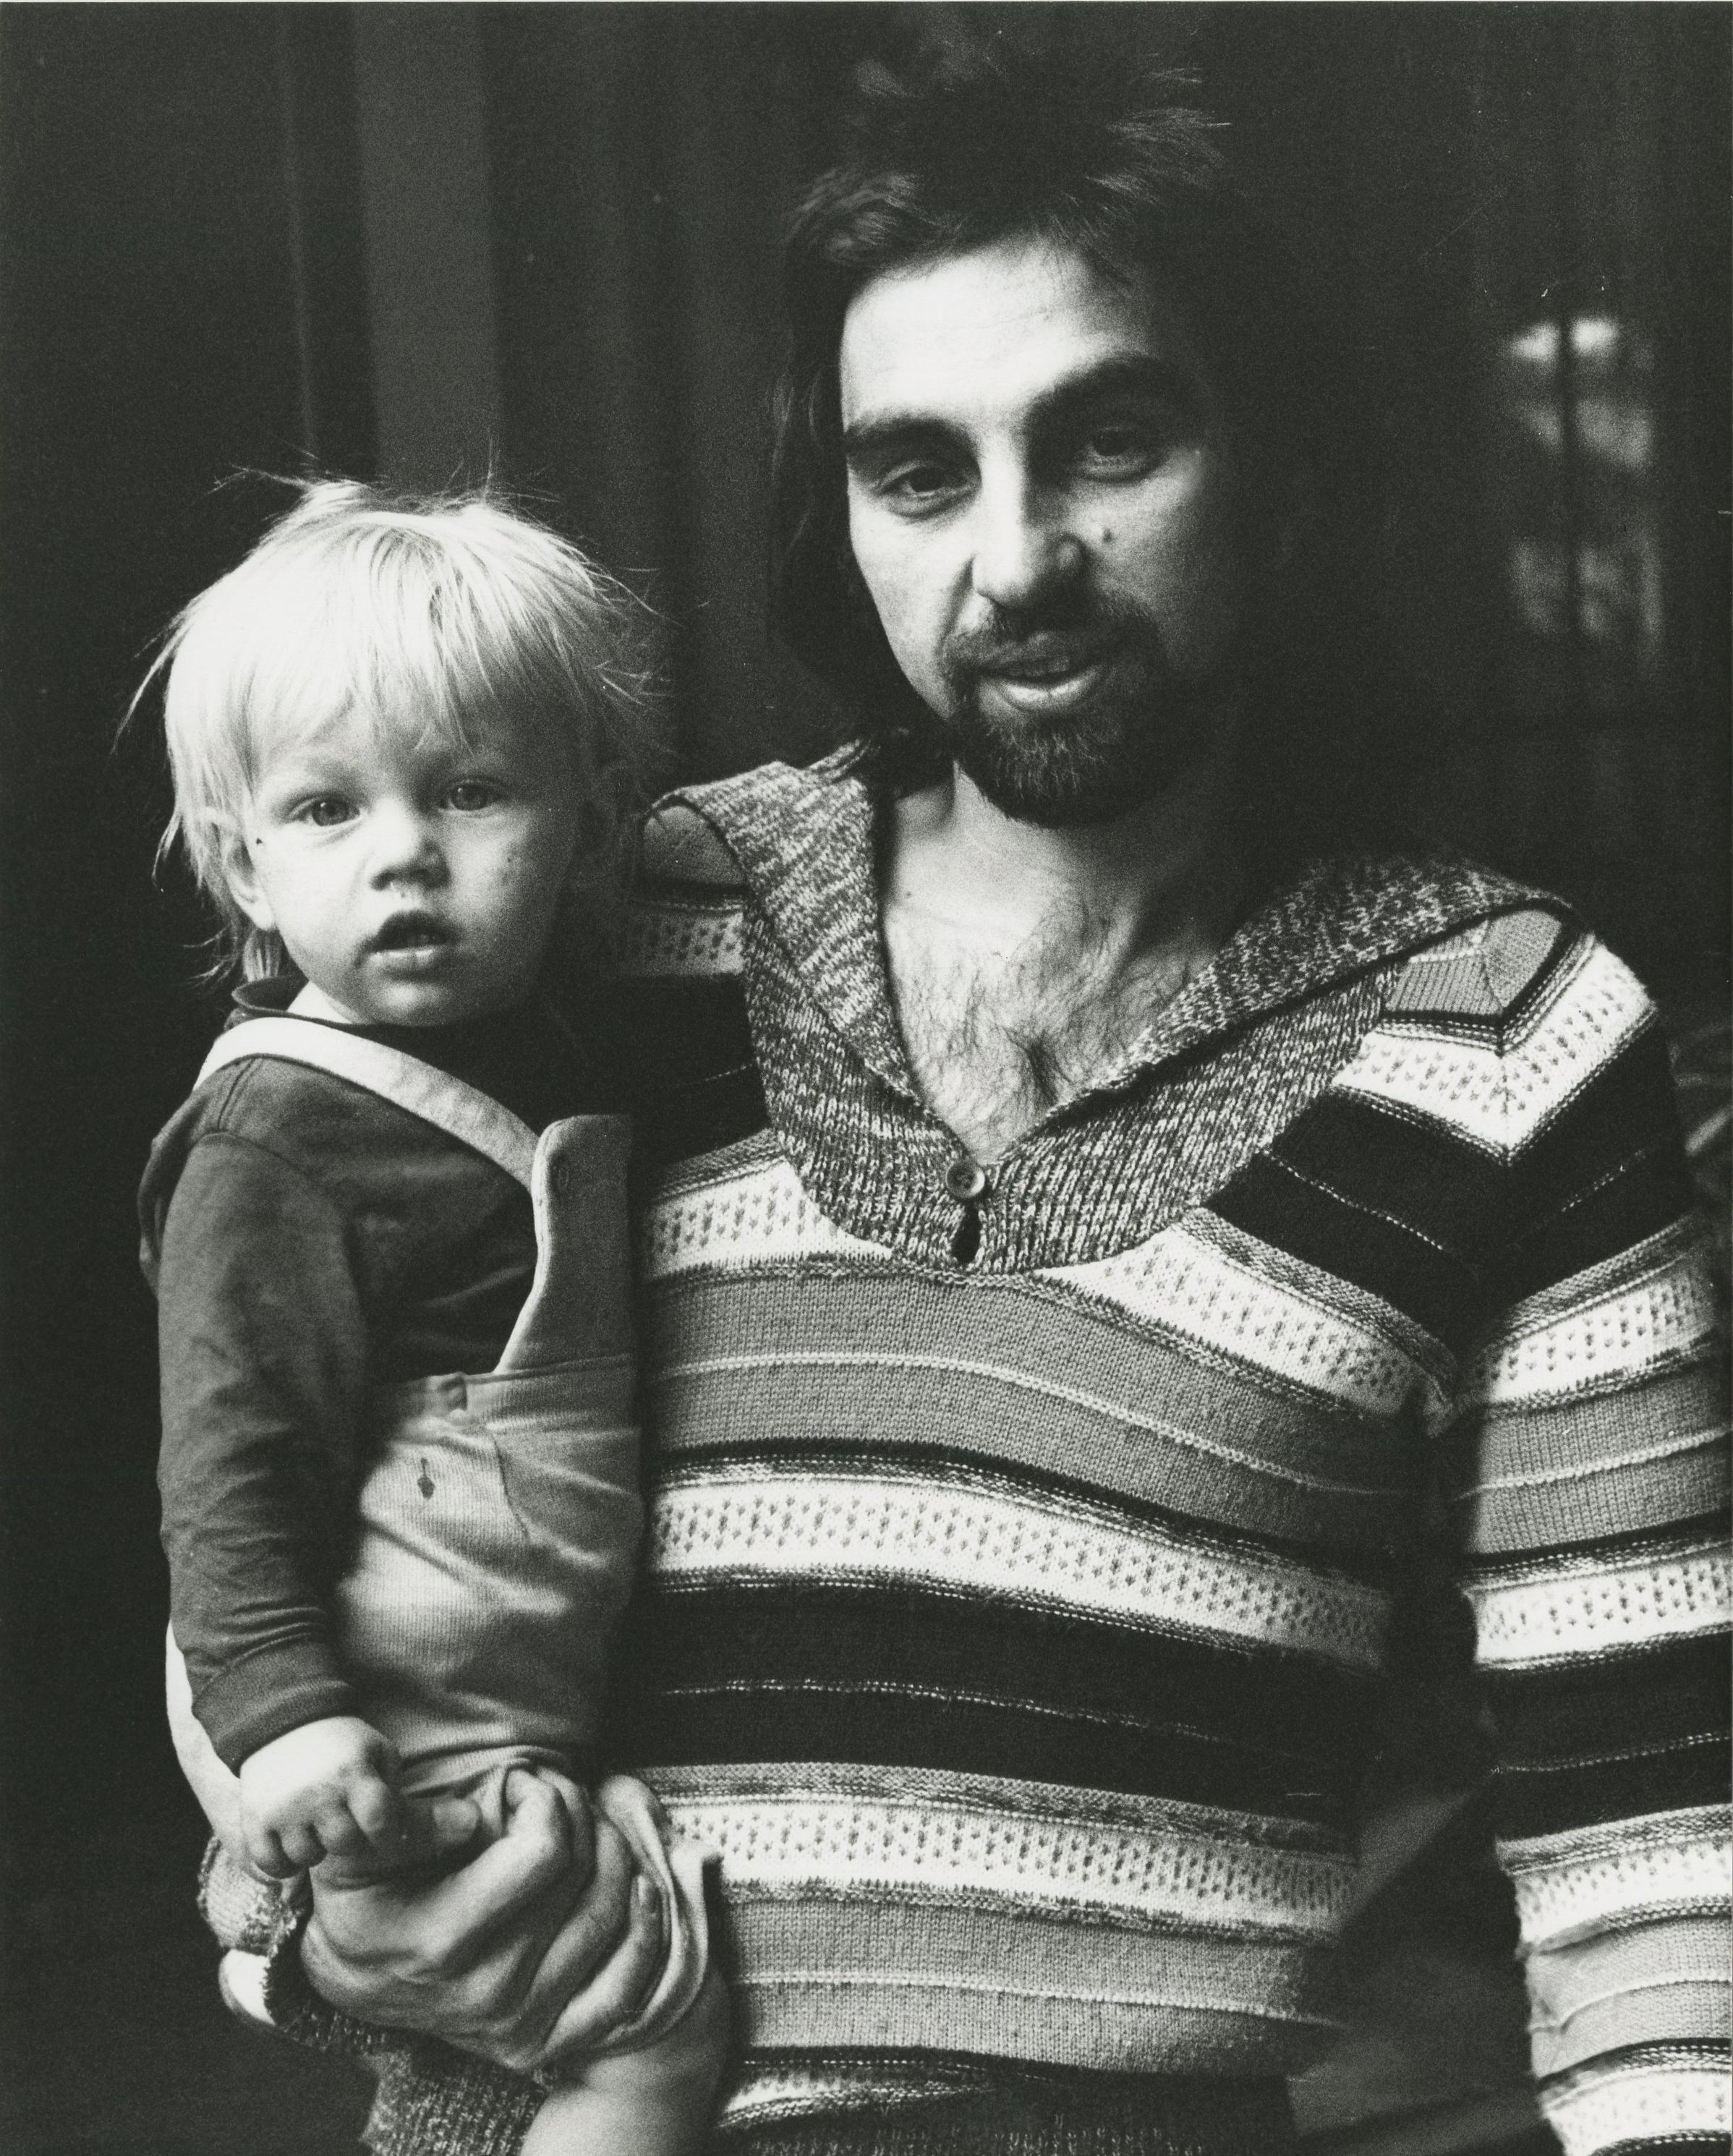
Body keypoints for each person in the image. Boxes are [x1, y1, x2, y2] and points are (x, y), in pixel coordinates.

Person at [171, 48, 1730, 2156]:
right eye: (919, 474)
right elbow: (263, 1462)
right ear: (841, 520)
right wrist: (300, 1912)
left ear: (1267, 469)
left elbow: (1651, 1829)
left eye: (1107, 441)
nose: (1015, 563)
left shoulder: (1508, 1035)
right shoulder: (614, 933)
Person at [137, 482, 727, 2155]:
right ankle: (280, 1909)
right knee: (648, 2034)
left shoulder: (545, 1034)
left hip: (494, 1674)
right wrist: (288, 1724)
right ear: (246, 866)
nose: (405, 852)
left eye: (470, 792)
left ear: (593, 820)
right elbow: (232, 1462)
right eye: (327, 810)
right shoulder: (278, 1144)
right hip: (388, 1709)